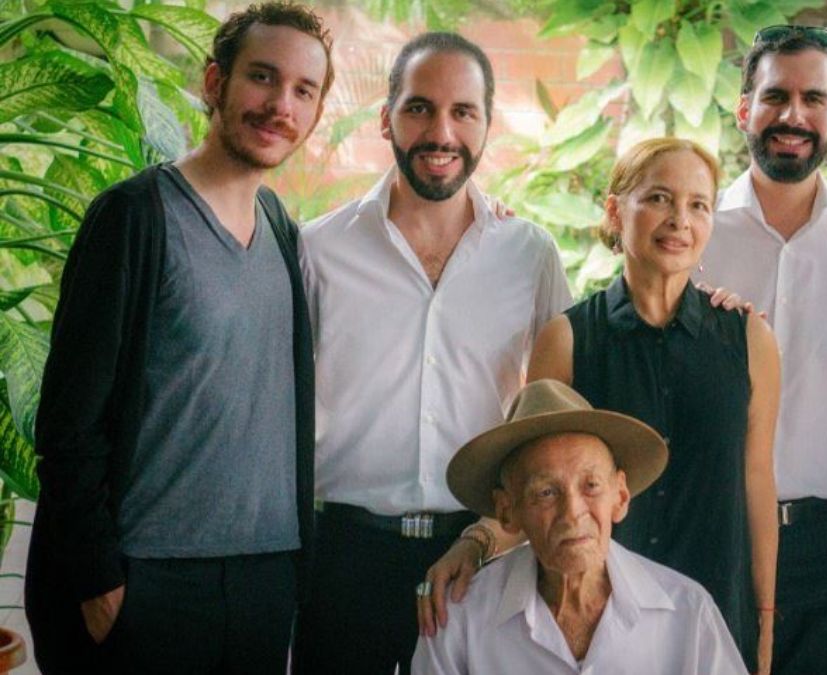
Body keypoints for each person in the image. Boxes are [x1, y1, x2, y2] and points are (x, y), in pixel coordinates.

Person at [25, 3, 332, 672]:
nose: (281, 105)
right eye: (262, 77)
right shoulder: (133, 217)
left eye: (303, 90)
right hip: (148, 582)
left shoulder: (281, 227)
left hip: (263, 577)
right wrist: (98, 578)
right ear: (215, 82)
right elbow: (68, 422)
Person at [292, 32, 572, 673]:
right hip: (342, 559)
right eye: (419, 108)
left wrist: (494, 536)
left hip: (479, 558)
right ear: (386, 118)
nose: (441, 133)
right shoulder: (319, 250)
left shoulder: (529, 254)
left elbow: (554, 413)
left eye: (462, 112)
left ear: (486, 125)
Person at [521, 137, 781, 673]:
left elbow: (757, 480)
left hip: (717, 607)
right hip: (598, 619)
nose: (679, 220)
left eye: (698, 205)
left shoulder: (750, 338)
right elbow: (537, 487)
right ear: (616, 211)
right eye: (659, 198)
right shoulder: (567, 340)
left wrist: (765, 614)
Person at [694, 26, 827, 674]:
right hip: (710, 533)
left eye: (814, 99)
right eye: (775, 96)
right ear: (744, 109)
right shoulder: (694, 231)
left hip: (824, 549)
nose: (793, 116)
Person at [411, 379, 748, 674]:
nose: (572, 513)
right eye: (546, 492)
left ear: (620, 496)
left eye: (591, 486)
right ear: (507, 511)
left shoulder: (687, 613)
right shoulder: (460, 619)